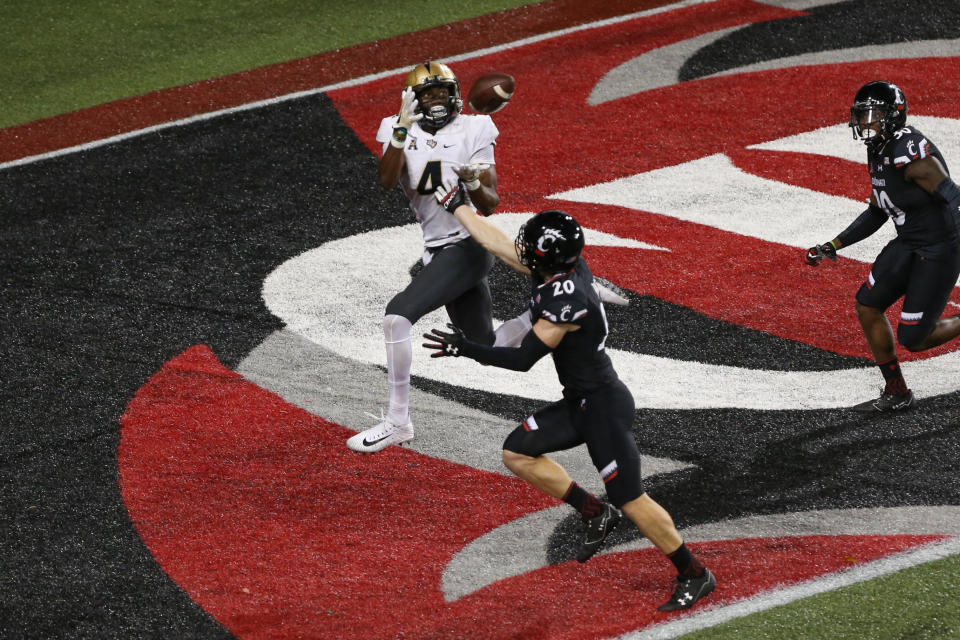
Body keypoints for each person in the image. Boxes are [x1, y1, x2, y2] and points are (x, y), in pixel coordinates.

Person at [422, 197, 716, 612]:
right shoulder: (565, 269)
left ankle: (694, 573)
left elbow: (522, 359)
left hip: (602, 407)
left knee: (632, 497)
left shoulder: (565, 302)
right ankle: (594, 511)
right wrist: (458, 206)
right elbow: (501, 245)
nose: (522, 248)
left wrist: (465, 349)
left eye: (531, 246)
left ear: (547, 259)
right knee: (517, 452)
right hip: (579, 400)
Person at [346, 60, 508, 453]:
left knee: (397, 316)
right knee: (485, 345)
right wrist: (401, 131)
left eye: (442, 93)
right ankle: (562, 311)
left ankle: (398, 421)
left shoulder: (476, 127)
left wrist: (472, 180)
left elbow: (489, 204)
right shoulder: (397, 127)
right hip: (437, 250)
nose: (437, 101)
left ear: (455, 95)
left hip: (469, 245)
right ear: (414, 99)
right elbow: (386, 180)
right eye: (428, 94)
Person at [806, 81, 960, 412]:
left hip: (938, 249)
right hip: (908, 242)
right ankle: (896, 392)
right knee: (867, 305)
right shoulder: (879, 148)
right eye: (862, 117)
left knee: (914, 338)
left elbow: (955, 199)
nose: (864, 124)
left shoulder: (912, 155)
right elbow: (879, 208)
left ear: (893, 116)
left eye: (872, 116)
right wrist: (836, 243)